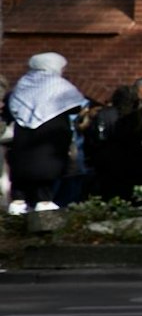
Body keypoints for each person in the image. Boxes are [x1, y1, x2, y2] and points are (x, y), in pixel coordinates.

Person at [5, 53, 91, 213]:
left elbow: (12, 105)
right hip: (51, 135)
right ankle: (44, 200)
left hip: (24, 134)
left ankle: (18, 200)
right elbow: (76, 105)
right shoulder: (59, 85)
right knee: (47, 169)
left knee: (22, 169)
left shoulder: (23, 84)